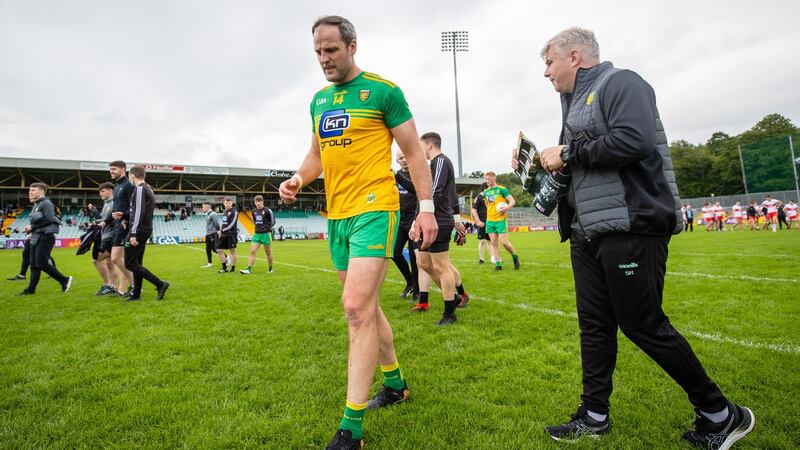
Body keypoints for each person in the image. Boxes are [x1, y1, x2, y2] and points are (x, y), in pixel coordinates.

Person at [520, 27, 753, 447]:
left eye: (549, 62)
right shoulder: (574, 104)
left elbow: (634, 140)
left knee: (643, 324)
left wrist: (567, 152)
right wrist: (539, 169)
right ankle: (593, 415)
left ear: (574, 57)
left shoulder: (621, 82)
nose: (546, 72)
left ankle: (721, 414)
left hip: (630, 224)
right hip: (587, 231)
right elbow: (583, 167)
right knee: (595, 326)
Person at [278, 15, 437, 450]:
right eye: (318, 51)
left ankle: (351, 429)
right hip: (338, 216)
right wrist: (298, 178)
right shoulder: (318, 101)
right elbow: (316, 155)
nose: (324, 58)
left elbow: (413, 152)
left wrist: (426, 209)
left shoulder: (384, 91)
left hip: (375, 208)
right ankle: (396, 384)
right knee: (365, 308)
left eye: (331, 49)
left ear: (352, 46)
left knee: (354, 308)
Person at [408, 132, 469, 323]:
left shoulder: (441, 161)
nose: (420, 150)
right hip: (427, 219)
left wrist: (423, 215)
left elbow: (437, 191)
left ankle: (449, 313)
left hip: (439, 220)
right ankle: (454, 296)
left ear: (429, 145)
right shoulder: (432, 165)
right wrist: (416, 220)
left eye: (421, 146)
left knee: (442, 267)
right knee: (424, 263)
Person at [123, 165, 169, 301]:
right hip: (145, 228)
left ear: (132, 175)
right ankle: (136, 294)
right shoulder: (148, 188)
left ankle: (160, 284)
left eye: (129, 175)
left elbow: (138, 212)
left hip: (139, 230)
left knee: (129, 263)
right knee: (137, 262)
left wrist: (133, 233)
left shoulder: (140, 189)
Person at [18, 183, 73, 295]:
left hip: (45, 237)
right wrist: (31, 230)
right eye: (30, 190)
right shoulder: (37, 205)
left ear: (41, 191)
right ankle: (31, 289)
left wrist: (32, 227)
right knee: (34, 265)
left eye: (33, 190)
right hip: (36, 236)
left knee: (41, 264)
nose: (30, 192)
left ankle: (64, 280)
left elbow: (49, 220)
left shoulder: (46, 203)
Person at [97, 161, 135, 296]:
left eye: (114, 169)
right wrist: (104, 223)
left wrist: (124, 216)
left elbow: (135, 207)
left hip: (125, 225)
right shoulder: (118, 187)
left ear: (123, 169)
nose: (111, 171)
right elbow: (115, 210)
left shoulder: (128, 185)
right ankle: (130, 286)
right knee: (117, 259)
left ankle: (134, 285)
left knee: (117, 259)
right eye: (110, 169)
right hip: (118, 226)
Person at [392, 149, 420, 299]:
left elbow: (416, 190)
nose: (403, 160)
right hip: (399, 218)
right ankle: (410, 282)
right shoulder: (394, 176)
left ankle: (417, 290)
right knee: (394, 252)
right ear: (397, 161)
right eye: (400, 158)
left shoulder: (416, 173)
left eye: (405, 156)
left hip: (414, 218)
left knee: (413, 255)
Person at [482, 172, 520, 271]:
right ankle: (498, 265)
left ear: (494, 178)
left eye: (489, 179)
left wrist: (507, 207)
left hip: (500, 220)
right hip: (490, 221)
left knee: (504, 243)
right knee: (494, 243)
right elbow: (487, 204)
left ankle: (514, 256)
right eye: (486, 179)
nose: (487, 181)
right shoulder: (486, 192)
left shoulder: (502, 189)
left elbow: (512, 201)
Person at [240, 195, 275, 274]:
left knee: (268, 253)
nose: (258, 203)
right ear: (255, 203)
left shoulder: (268, 210)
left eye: (259, 201)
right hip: (256, 234)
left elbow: (273, 222)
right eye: (256, 202)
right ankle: (248, 269)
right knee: (252, 251)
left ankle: (270, 268)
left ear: (262, 202)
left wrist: (267, 228)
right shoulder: (254, 211)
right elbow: (255, 221)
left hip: (265, 234)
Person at [94, 182, 118, 295]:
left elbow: (113, 219)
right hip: (107, 236)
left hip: (110, 237)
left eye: (102, 191)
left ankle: (108, 284)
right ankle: (113, 286)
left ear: (110, 191)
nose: (100, 194)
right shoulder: (107, 203)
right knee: (109, 263)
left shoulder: (113, 203)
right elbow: (105, 220)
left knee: (96, 260)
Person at [216, 197, 239, 273]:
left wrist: (221, 231)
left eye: (229, 203)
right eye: (226, 203)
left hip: (231, 235)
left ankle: (232, 269)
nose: (228, 204)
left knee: (232, 251)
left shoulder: (234, 212)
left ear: (232, 203)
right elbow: (224, 224)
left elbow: (232, 224)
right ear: (224, 204)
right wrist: (221, 232)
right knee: (219, 250)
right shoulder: (225, 212)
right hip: (224, 234)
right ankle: (224, 268)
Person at [471, 183, 491, 263]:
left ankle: (493, 258)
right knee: (482, 241)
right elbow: (473, 210)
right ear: (485, 188)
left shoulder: (489, 197)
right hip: (482, 222)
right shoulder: (478, 197)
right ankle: (481, 258)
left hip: (490, 221)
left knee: (491, 241)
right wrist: (478, 221)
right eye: (489, 188)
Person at [201, 202, 221, 268]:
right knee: (208, 249)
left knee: (215, 249)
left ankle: (226, 258)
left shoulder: (213, 214)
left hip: (213, 234)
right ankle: (209, 263)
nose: (202, 208)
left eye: (203, 207)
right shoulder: (208, 214)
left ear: (207, 207)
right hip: (208, 234)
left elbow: (216, 223)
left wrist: (218, 230)